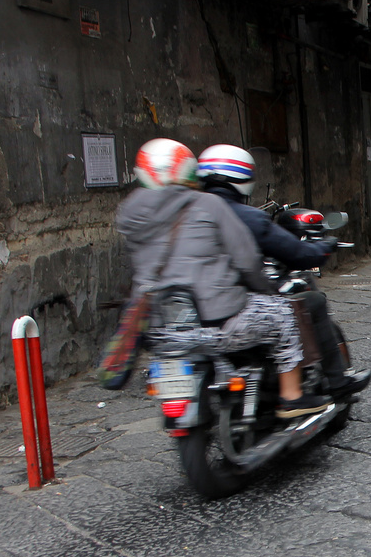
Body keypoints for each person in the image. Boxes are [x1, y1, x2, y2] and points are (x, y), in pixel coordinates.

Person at [117, 138, 329, 419]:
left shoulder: (130, 214)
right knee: (283, 313)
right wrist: (265, 289)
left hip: (160, 329)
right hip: (218, 323)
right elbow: (246, 260)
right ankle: (291, 396)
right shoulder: (208, 205)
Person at [197, 144, 370, 400]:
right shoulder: (246, 217)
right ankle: (329, 383)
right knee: (308, 303)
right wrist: (324, 247)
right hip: (229, 312)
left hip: (190, 319)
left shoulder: (184, 216)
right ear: (242, 178)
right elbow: (297, 255)